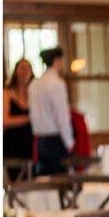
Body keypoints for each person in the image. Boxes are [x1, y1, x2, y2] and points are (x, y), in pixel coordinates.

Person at [29, 47, 74, 176]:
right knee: (61, 185)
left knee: (44, 184)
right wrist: (69, 141)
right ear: (57, 61)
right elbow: (62, 116)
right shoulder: (57, 83)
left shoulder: (34, 84)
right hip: (56, 141)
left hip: (40, 142)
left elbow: (33, 115)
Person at [3, 58, 34, 179]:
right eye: (21, 68)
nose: (24, 71)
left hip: (30, 146)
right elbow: (4, 121)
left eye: (27, 68)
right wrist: (29, 118)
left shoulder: (33, 94)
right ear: (15, 71)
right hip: (12, 147)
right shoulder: (6, 93)